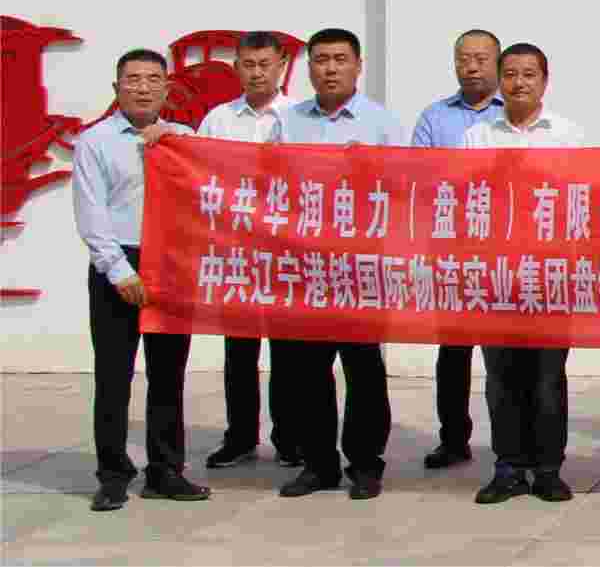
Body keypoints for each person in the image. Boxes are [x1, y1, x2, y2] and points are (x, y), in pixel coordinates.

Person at [275, 28, 411, 501]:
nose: (330, 68)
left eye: (339, 59)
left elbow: (400, 191)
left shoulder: (381, 124)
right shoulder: (288, 123)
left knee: (363, 369)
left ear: (357, 66)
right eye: (320, 60)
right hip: (307, 265)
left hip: (361, 267)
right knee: (308, 372)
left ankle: (366, 464)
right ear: (309, 67)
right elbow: (271, 185)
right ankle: (318, 464)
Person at [75, 48, 209, 512]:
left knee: (168, 375)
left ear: (168, 88)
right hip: (118, 265)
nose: (143, 88)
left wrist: (171, 139)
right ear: (117, 88)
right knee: (113, 377)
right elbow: (91, 212)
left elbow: (208, 191)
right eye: (133, 79)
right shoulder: (94, 141)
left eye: (153, 79)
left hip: (171, 262)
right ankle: (113, 475)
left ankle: (166, 471)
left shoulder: (185, 138)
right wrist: (119, 270)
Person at [462, 43, 584, 505]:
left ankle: (549, 469)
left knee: (548, 377)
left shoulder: (568, 135)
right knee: (501, 378)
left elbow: (581, 202)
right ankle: (509, 467)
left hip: (551, 275)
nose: (519, 82)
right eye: (510, 74)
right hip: (496, 275)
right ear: (500, 80)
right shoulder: (477, 137)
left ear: (544, 81)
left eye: (529, 74)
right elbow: (464, 199)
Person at [193, 31, 294, 471]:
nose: (257, 73)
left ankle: (289, 438)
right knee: (239, 351)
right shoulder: (218, 119)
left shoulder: (298, 116)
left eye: (265, 64)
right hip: (235, 250)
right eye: (248, 65)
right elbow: (195, 172)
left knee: (287, 351)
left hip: (286, 250)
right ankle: (240, 437)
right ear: (236, 68)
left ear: (281, 66)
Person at [412, 28, 506, 471]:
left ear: (497, 62)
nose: (471, 67)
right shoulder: (434, 117)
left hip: (504, 251)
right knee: (452, 351)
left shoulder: (514, 113)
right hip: (451, 249)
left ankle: (511, 444)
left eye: (481, 59)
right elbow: (419, 178)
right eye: (463, 59)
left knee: (503, 353)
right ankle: (453, 439)